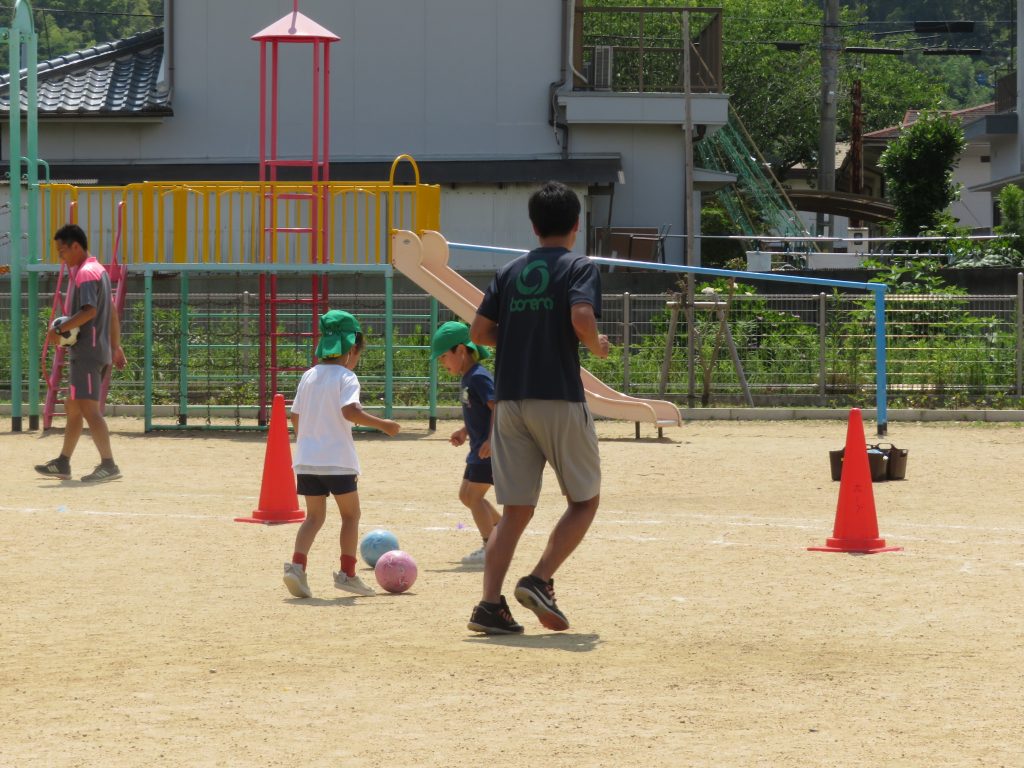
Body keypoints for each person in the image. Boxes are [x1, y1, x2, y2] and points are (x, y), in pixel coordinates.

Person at [466, 180, 609, 635]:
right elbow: (581, 318)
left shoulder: (510, 271)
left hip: (509, 400)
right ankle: (539, 578)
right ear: (576, 224)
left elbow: (479, 331)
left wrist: (521, 334)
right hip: (558, 396)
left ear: (533, 225)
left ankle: (490, 605)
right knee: (584, 501)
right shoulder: (578, 266)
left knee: (515, 509)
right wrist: (596, 344)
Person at [283, 309, 401, 599]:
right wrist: (383, 424)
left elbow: (295, 416)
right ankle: (348, 574)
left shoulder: (308, 376)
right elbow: (350, 411)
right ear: (351, 349)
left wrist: (310, 440)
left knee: (313, 518)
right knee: (351, 515)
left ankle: (296, 567)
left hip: (307, 460)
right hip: (337, 461)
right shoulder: (346, 377)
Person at [35, 224, 127, 483]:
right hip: (96, 351)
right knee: (73, 407)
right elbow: (111, 313)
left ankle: (109, 465)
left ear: (76, 246)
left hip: (87, 352)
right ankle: (63, 462)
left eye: (62, 251)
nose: (60, 256)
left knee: (88, 409)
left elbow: (89, 312)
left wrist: (59, 329)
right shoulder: (99, 271)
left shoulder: (86, 273)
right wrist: (115, 345)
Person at [430, 320, 500, 566]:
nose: (442, 362)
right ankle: (502, 526)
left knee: (474, 497)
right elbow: (478, 412)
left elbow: (497, 409)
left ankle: (490, 548)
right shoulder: (468, 377)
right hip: (477, 446)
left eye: (443, 357)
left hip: (488, 449)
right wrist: (464, 430)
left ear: (461, 350)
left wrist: (492, 439)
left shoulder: (479, 377)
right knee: (465, 495)